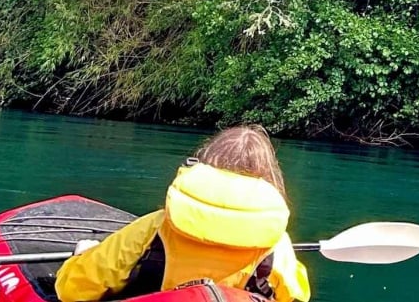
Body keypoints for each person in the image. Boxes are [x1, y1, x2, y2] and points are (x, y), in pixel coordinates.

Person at [55, 125, 310, 302]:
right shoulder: (276, 243)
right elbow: (292, 295)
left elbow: (72, 291)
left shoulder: (155, 227)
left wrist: (84, 256)